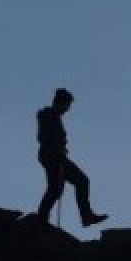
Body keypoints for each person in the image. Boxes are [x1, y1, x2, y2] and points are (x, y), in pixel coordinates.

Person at [36, 88, 108, 227]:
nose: (67, 109)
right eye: (66, 105)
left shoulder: (52, 117)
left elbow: (48, 138)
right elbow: (43, 137)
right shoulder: (47, 116)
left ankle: (44, 217)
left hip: (54, 155)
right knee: (64, 186)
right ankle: (42, 218)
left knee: (62, 186)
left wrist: (61, 147)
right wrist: (57, 147)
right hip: (52, 156)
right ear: (59, 103)